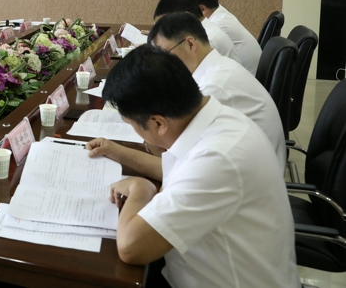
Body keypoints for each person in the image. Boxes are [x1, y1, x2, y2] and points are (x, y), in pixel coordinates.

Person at [86, 45, 298, 287]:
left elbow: (132, 248)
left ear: (158, 123)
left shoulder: (218, 159)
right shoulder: (218, 119)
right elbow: (181, 172)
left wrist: (140, 190)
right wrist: (118, 152)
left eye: (131, 124)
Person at [148, 12, 286, 173]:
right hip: (250, 166)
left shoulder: (214, 87)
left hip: (253, 175)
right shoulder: (219, 66)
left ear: (190, 44)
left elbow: (175, 166)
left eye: (165, 55)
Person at [186, 0, 262, 75]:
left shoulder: (217, 25)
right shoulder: (220, 13)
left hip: (248, 74)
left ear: (202, 8)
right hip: (249, 71)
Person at [153, 0, 241, 66]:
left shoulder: (208, 39)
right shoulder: (205, 29)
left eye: (165, 23)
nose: (163, 29)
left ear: (185, 16)